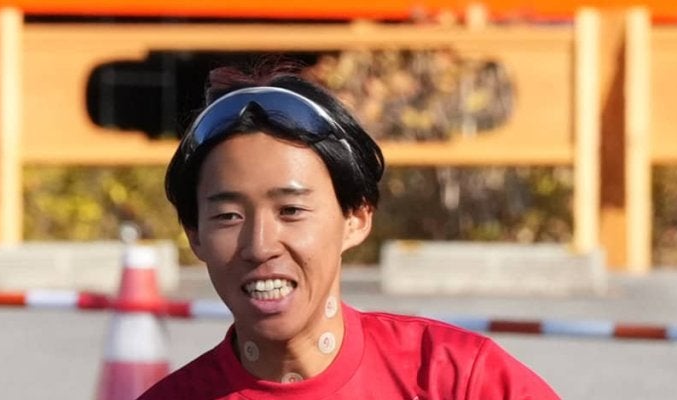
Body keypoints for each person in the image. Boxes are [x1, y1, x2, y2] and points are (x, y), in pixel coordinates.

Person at [139, 65, 560, 399]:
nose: (260, 245)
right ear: (195, 235)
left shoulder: (456, 379)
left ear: (356, 218)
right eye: (228, 216)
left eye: (291, 210)